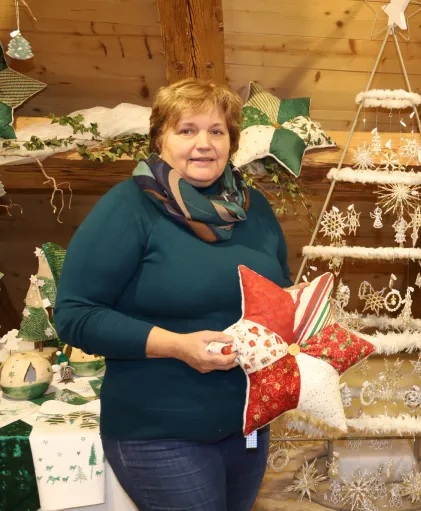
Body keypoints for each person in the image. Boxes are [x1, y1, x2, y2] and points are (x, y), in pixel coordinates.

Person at [55, 78, 293, 511]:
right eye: (187, 130)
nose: (204, 143)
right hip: (158, 433)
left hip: (248, 429)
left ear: (231, 142)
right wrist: (178, 346)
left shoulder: (254, 208)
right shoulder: (128, 207)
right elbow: (74, 315)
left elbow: (280, 296)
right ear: (160, 140)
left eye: (217, 131)